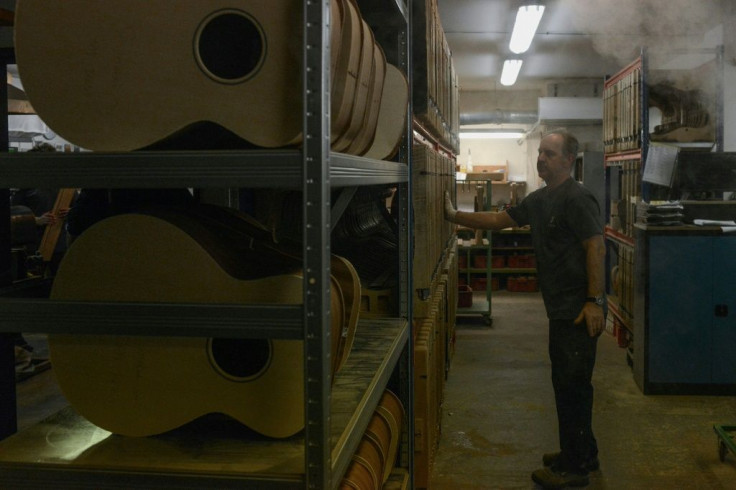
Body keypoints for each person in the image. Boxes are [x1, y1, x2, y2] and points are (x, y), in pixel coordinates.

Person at [444, 129, 606, 489]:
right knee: (568, 382)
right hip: (560, 307)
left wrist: (594, 301)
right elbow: (498, 220)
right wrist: (455, 216)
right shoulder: (540, 199)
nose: (541, 159)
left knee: (572, 385)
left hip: (578, 308)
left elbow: (596, 248)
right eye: (541, 153)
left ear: (569, 160)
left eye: (550, 154)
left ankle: (574, 468)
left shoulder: (578, 199)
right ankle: (582, 452)